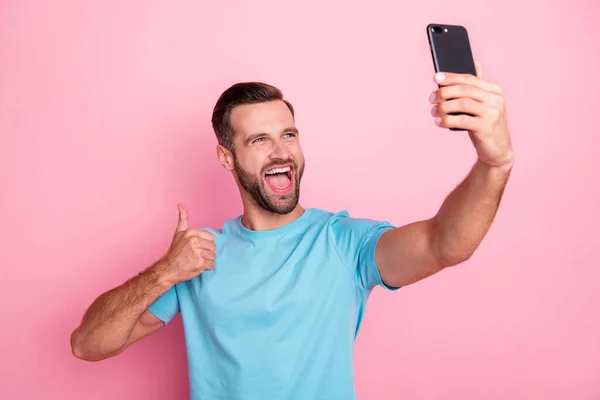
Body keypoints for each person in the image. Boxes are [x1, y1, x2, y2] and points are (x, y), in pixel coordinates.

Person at [70, 62, 513, 400]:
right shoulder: (200, 256)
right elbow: (89, 345)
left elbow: (444, 244)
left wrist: (494, 165)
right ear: (227, 157)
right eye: (259, 140)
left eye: (289, 134)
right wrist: (165, 272)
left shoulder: (343, 243)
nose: (281, 151)